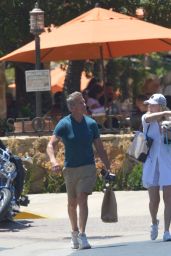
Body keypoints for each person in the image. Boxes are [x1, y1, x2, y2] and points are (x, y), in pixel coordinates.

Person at [46, 91, 111, 250]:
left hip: (88, 167)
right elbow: (50, 145)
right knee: (72, 203)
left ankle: (82, 234)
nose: (84, 104)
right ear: (72, 107)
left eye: (84, 102)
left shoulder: (91, 124)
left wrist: (108, 168)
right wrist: (54, 161)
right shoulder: (64, 124)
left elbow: (100, 148)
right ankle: (74, 232)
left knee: (83, 198)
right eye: (81, 102)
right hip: (70, 169)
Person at [142, 93, 171, 242]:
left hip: (168, 164)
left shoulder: (169, 121)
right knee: (154, 200)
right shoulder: (146, 117)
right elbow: (147, 118)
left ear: (161, 105)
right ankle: (154, 222)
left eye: (152, 105)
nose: (149, 107)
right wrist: (166, 113)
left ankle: (167, 231)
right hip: (152, 164)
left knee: (168, 199)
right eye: (149, 104)